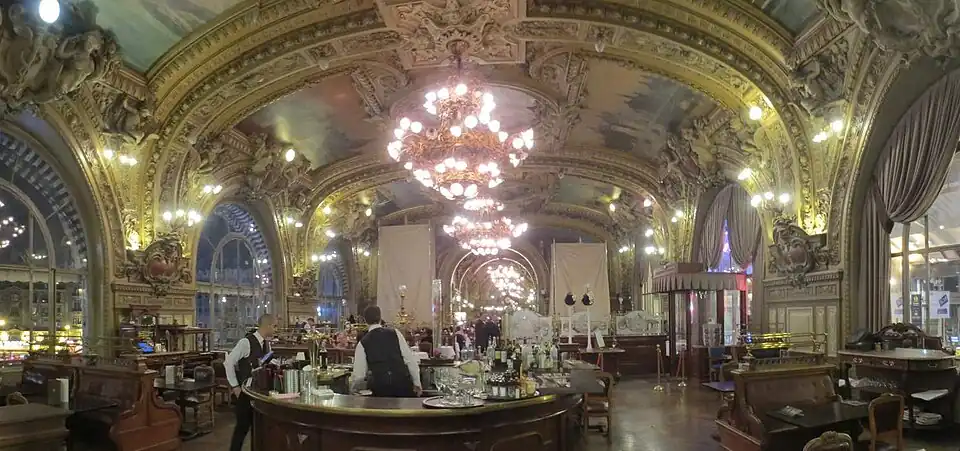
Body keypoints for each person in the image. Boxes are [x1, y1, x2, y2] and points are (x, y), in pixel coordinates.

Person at [225, 314, 276, 451]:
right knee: (242, 428)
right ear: (267, 326)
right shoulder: (246, 342)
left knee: (257, 428)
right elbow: (228, 363)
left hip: (259, 392)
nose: (275, 329)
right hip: (245, 392)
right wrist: (235, 386)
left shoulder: (266, 343)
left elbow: (263, 362)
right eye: (274, 326)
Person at [351, 306, 422, 397]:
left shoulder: (363, 343)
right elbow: (410, 361)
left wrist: (353, 388)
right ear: (380, 318)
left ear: (365, 320)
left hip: (380, 390)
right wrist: (417, 383)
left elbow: (359, 375)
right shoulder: (395, 333)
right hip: (402, 386)